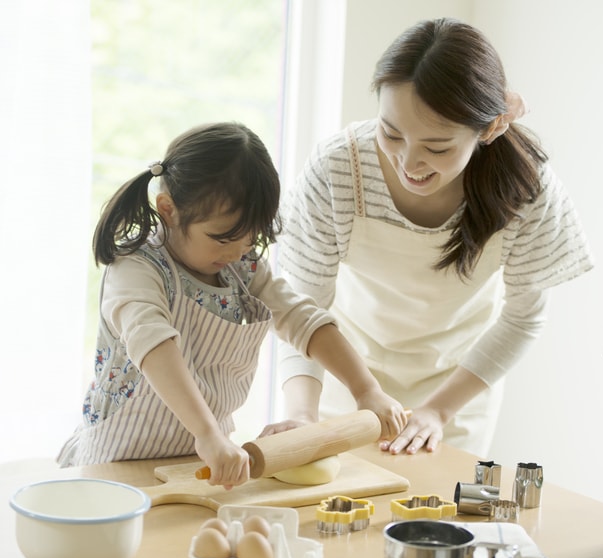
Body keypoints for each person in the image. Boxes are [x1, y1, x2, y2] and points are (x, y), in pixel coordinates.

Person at [275, 18, 594, 458]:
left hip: (456, 395)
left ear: (490, 128)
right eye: (390, 132)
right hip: (342, 381)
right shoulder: (337, 169)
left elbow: (523, 318)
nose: (409, 162)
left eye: (437, 147)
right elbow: (302, 305)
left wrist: (438, 412)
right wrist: (303, 416)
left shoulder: (526, 188)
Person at [57, 122, 407, 487]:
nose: (238, 250)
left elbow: (302, 318)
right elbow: (153, 344)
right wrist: (207, 432)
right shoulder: (136, 268)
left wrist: (367, 390)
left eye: (251, 236)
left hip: (202, 464)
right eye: (223, 237)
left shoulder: (243, 266)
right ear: (169, 210)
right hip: (116, 466)